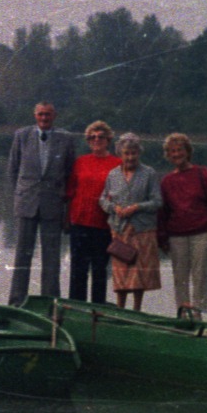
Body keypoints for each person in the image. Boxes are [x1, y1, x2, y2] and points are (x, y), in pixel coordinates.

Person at [6, 101, 76, 306]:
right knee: (22, 255)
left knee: (52, 257)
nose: (44, 118)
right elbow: (12, 170)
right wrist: (19, 195)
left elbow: (70, 173)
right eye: (40, 115)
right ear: (34, 115)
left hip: (52, 204)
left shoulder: (66, 138)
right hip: (26, 202)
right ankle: (16, 301)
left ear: (54, 116)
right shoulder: (22, 135)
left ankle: (50, 302)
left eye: (48, 115)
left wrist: (64, 202)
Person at [156, 132, 207, 321]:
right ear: (168, 155)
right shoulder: (166, 181)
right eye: (172, 151)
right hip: (176, 235)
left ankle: (198, 317)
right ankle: (183, 318)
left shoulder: (202, 173)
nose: (176, 154)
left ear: (188, 152)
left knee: (199, 277)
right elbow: (163, 212)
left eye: (180, 150)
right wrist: (162, 238)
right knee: (180, 278)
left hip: (203, 232)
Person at [98, 132, 161, 311]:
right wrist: (113, 208)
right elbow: (103, 200)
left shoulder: (149, 173)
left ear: (139, 153)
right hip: (119, 230)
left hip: (142, 230)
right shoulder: (113, 175)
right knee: (120, 273)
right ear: (120, 154)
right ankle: (120, 310)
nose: (130, 157)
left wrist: (137, 207)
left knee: (138, 275)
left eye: (134, 153)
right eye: (127, 153)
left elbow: (157, 202)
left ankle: (136, 310)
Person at [66, 121, 122, 303]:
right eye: (92, 137)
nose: (96, 140)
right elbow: (70, 190)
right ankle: (75, 308)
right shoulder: (80, 161)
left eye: (100, 137)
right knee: (78, 270)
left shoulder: (117, 164)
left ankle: (97, 309)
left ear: (108, 140)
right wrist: (67, 217)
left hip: (104, 225)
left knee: (99, 270)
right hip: (79, 222)